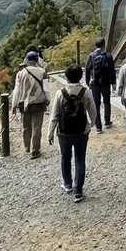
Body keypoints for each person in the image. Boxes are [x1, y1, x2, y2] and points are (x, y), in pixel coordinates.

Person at [47, 63, 96, 203]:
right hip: (81, 132)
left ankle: (67, 184)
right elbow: (93, 113)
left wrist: (50, 133)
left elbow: (55, 115)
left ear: (67, 77)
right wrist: (89, 126)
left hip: (64, 132)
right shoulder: (85, 92)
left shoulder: (60, 93)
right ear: (80, 76)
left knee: (65, 157)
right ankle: (78, 191)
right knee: (80, 160)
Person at [11, 50, 49, 159]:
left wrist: (14, 105)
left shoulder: (20, 73)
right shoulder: (42, 72)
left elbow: (16, 90)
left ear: (26, 60)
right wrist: (48, 100)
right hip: (38, 102)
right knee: (37, 126)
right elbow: (46, 89)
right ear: (37, 60)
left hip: (24, 103)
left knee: (26, 126)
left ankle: (27, 147)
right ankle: (35, 150)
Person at [85, 38, 116, 135]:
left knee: (96, 104)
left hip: (94, 83)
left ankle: (98, 126)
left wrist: (87, 82)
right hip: (106, 83)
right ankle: (107, 122)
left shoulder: (91, 56)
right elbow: (112, 70)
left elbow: (87, 69)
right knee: (107, 102)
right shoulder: (108, 55)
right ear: (104, 45)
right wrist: (113, 82)